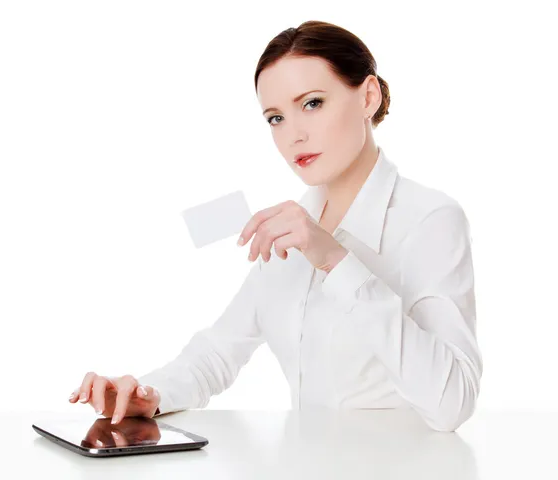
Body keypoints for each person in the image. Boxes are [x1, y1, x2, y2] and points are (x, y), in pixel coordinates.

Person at [69, 20, 482, 432]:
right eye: (275, 118)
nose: (293, 135)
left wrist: (336, 262)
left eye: (313, 103)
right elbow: (217, 354)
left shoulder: (431, 219)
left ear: (368, 97)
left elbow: (453, 404)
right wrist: (146, 395)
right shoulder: (294, 225)